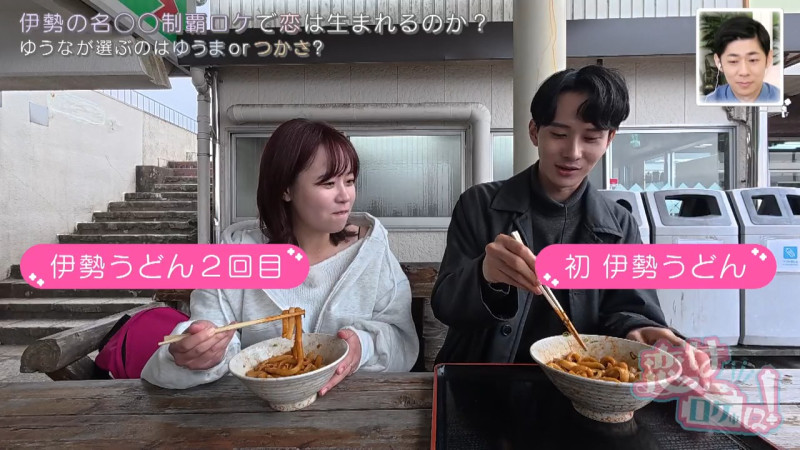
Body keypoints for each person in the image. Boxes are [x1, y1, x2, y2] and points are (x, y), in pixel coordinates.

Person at [431, 66, 710, 384]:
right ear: (534, 132)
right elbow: (445, 306)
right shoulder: (480, 205)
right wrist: (485, 276)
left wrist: (642, 330)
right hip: (482, 386)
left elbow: (630, 310)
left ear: (609, 139)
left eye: (591, 137)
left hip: (580, 389)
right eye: (559, 135)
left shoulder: (619, 226)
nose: (573, 153)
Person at [142, 118, 419, 392]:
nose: (345, 195)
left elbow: (402, 342)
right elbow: (209, 329)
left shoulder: (371, 253)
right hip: (254, 411)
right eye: (328, 184)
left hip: (355, 410)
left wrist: (363, 347)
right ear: (286, 189)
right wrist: (198, 351)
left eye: (349, 181)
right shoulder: (237, 255)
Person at [705, 16, 780, 104]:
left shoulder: (781, 99)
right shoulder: (708, 103)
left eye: (753, 60)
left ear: (768, 59)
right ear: (718, 62)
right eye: (733, 61)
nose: (744, 72)